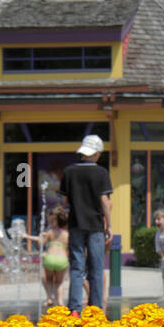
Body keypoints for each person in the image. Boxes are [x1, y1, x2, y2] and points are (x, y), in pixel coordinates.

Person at [60, 134, 112, 314]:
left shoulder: (69, 171)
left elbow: (65, 200)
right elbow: (104, 201)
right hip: (95, 225)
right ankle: (95, 308)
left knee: (76, 267)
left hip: (75, 225)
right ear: (97, 153)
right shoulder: (101, 173)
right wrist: (109, 225)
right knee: (96, 267)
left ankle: (74, 308)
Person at [27, 206, 70, 309]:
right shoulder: (67, 234)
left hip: (50, 258)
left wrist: (40, 237)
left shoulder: (50, 232)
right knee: (59, 282)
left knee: (47, 278)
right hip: (62, 260)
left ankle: (49, 297)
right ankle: (60, 300)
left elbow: (41, 244)